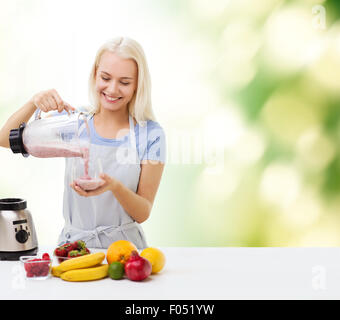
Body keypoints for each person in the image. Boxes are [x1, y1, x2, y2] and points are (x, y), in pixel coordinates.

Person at [0, 37, 166, 250]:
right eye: (106, 77)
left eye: (124, 82)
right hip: (74, 249)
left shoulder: (150, 134)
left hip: (125, 252)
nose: (113, 89)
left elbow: (142, 213)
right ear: (95, 74)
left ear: (137, 85)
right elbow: (5, 139)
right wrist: (34, 102)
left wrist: (113, 187)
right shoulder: (73, 123)